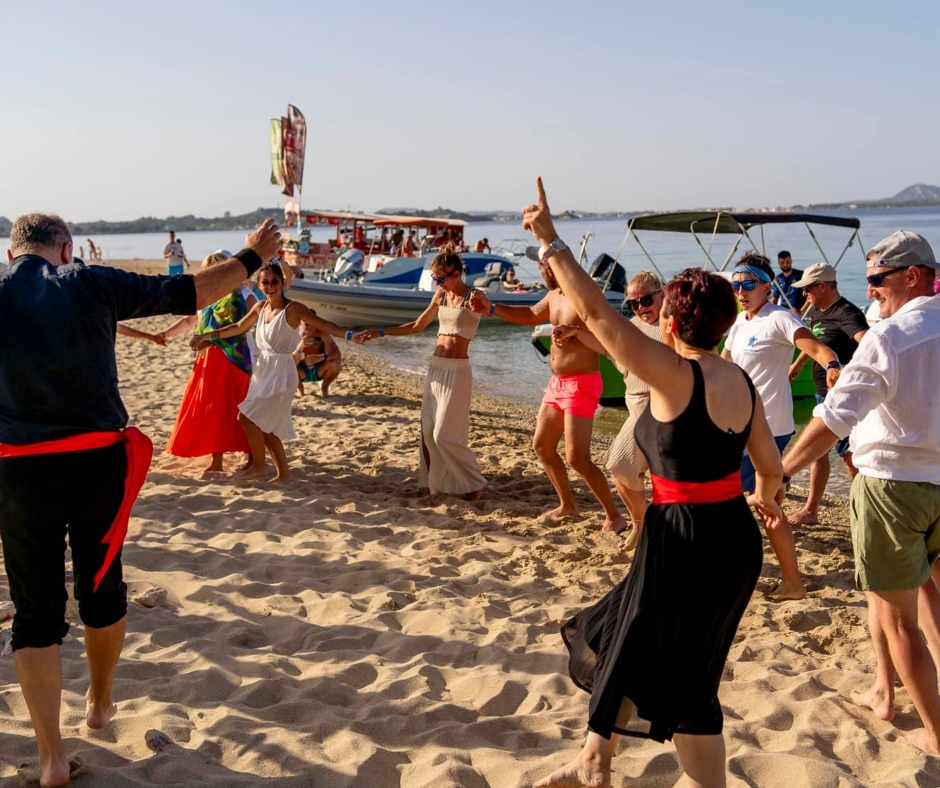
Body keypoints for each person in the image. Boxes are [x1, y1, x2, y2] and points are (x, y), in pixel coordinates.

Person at [522, 179, 786, 788]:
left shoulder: (670, 373)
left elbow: (594, 311)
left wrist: (551, 240)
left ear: (670, 319)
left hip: (682, 536)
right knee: (660, 647)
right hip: (732, 540)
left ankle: (598, 762)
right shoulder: (740, 380)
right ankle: (600, 758)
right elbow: (771, 466)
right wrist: (765, 502)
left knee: (635, 637)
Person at [0, 212, 280, 787]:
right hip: (96, 461)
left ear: (12, 254)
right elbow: (191, 292)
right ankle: (100, 704)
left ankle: (51, 756)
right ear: (67, 248)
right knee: (102, 587)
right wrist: (252, 256)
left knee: (35, 611)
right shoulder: (90, 280)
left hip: (18, 468)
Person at [780, 230, 940, 754]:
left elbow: (831, 420)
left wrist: (781, 472)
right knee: (929, 597)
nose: (869, 290)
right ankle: (882, 690)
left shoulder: (890, 337)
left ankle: (937, 738)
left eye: (876, 280)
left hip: (894, 487)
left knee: (898, 620)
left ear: (912, 276)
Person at [469, 250, 626, 534]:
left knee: (578, 458)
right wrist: (491, 308)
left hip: (582, 383)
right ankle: (568, 505)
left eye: (542, 264)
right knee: (542, 445)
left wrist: (574, 333)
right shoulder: (554, 295)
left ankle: (614, 515)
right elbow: (529, 314)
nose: (541, 269)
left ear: (553, 267)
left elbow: (607, 345)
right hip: (557, 383)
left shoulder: (582, 296)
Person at [722, 251, 840, 601]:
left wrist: (832, 364)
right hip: (738, 425)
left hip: (770, 426)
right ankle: (789, 579)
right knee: (763, 501)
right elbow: (725, 367)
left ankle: (786, 579)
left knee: (750, 500)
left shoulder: (780, 319)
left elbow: (817, 347)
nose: (741, 291)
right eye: (736, 284)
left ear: (767, 286)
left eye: (748, 284)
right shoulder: (739, 322)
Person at [192, 261, 348, 484]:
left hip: (282, 372)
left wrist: (350, 335)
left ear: (283, 282)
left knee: (247, 417)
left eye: (275, 281)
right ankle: (283, 475)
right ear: (259, 284)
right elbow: (237, 328)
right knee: (264, 425)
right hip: (262, 371)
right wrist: (208, 337)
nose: (270, 285)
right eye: (265, 282)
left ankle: (259, 466)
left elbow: (321, 323)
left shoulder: (293, 309)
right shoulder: (260, 307)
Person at [353, 244, 486, 500]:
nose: (437, 283)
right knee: (427, 433)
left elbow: (495, 310)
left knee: (445, 434)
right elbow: (416, 325)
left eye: (440, 278)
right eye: (434, 278)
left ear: (456, 274)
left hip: (457, 371)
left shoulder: (474, 297)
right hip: (436, 368)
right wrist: (381, 332)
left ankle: (474, 482)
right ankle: (434, 485)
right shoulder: (440, 296)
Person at [786, 263, 868, 525]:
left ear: (822, 286)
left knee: (849, 457)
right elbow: (816, 344)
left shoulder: (846, 313)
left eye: (808, 289)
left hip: (843, 399)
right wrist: (797, 365)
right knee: (817, 453)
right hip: (823, 394)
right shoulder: (818, 312)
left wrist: (846, 371)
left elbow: (869, 345)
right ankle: (811, 510)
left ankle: (864, 510)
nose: (804, 294)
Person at [162, 250, 254, 476]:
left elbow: (253, 320)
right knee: (212, 408)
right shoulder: (206, 297)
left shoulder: (244, 292)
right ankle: (217, 460)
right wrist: (165, 334)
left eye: (220, 269)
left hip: (236, 358)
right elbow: (190, 321)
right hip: (208, 360)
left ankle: (252, 454)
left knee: (239, 405)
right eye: (211, 270)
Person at [294, 319, 343, 397]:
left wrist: (322, 357)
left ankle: (324, 388)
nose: (310, 327)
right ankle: (300, 389)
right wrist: (300, 347)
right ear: (300, 323)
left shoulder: (322, 334)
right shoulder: (294, 336)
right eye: (307, 324)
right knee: (286, 367)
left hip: (319, 369)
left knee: (336, 364)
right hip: (301, 370)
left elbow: (337, 354)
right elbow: (290, 361)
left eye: (312, 324)